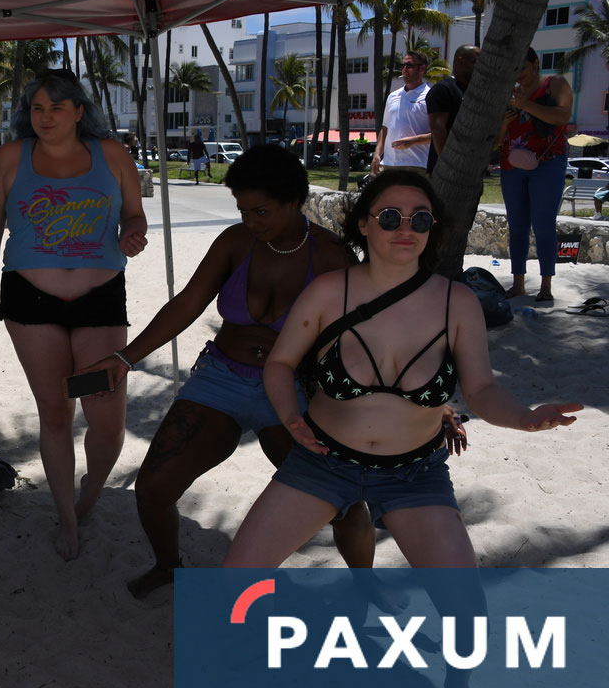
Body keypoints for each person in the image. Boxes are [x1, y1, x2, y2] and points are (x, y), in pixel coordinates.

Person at [224, 170, 580, 572]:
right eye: (391, 216)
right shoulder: (328, 292)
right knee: (235, 581)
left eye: (421, 219)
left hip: (415, 475)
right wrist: (290, 418)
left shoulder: (456, 303)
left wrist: (523, 418)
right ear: (364, 223)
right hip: (322, 462)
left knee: (464, 615)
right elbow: (281, 363)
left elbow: (481, 388)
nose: (406, 228)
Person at [83, 145, 376, 598]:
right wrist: (125, 358)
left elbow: (362, 341)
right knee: (153, 488)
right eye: (242, 210)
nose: (250, 222)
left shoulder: (333, 256)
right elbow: (186, 303)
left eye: (261, 211)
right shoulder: (236, 243)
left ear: (294, 201)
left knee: (340, 499)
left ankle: (366, 583)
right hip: (222, 376)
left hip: (294, 389)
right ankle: (168, 566)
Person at [0, 68, 148, 560]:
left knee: (106, 419)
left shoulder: (111, 155)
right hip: (31, 306)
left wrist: (131, 234)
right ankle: (66, 518)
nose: (45, 117)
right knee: (55, 412)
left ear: (79, 111)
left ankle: (89, 495)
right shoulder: (11, 159)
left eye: (56, 107)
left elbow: (134, 212)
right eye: (37, 108)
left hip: (99, 305)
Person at [499, 47, 573, 302]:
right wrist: (503, 126)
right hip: (511, 165)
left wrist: (525, 105)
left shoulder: (556, 84)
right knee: (517, 227)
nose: (519, 75)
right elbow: (498, 138)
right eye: (515, 70)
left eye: (523, 68)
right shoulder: (508, 93)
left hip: (548, 163)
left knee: (543, 225)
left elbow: (563, 116)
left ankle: (546, 287)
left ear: (536, 63)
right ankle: (518, 284)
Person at [372, 50, 431, 176]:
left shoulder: (430, 96)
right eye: (403, 65)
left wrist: (413, 141)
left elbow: (438, 134)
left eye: (410, 65)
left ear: (422, 69)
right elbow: (385, 129)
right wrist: (377, 154)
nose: (404, 69)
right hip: (389, 164)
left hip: (416, 165)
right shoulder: (393, 96)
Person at [427, 45, 480, 174]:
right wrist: (449, 164)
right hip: (447, 170)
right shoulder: (443, 89)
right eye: (475, 62)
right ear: (460, 61)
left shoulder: (475, 92)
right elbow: (438, 129)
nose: (480, 66)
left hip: (471, 166)